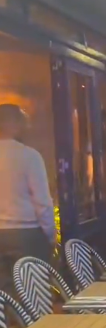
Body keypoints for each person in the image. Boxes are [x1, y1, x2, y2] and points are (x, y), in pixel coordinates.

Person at [0, 104, 56, 308]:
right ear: (14, 124)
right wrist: (50, 234)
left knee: (4, 298)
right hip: (27, 234)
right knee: (35, 296)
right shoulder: (30, 156)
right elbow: (42, 201)